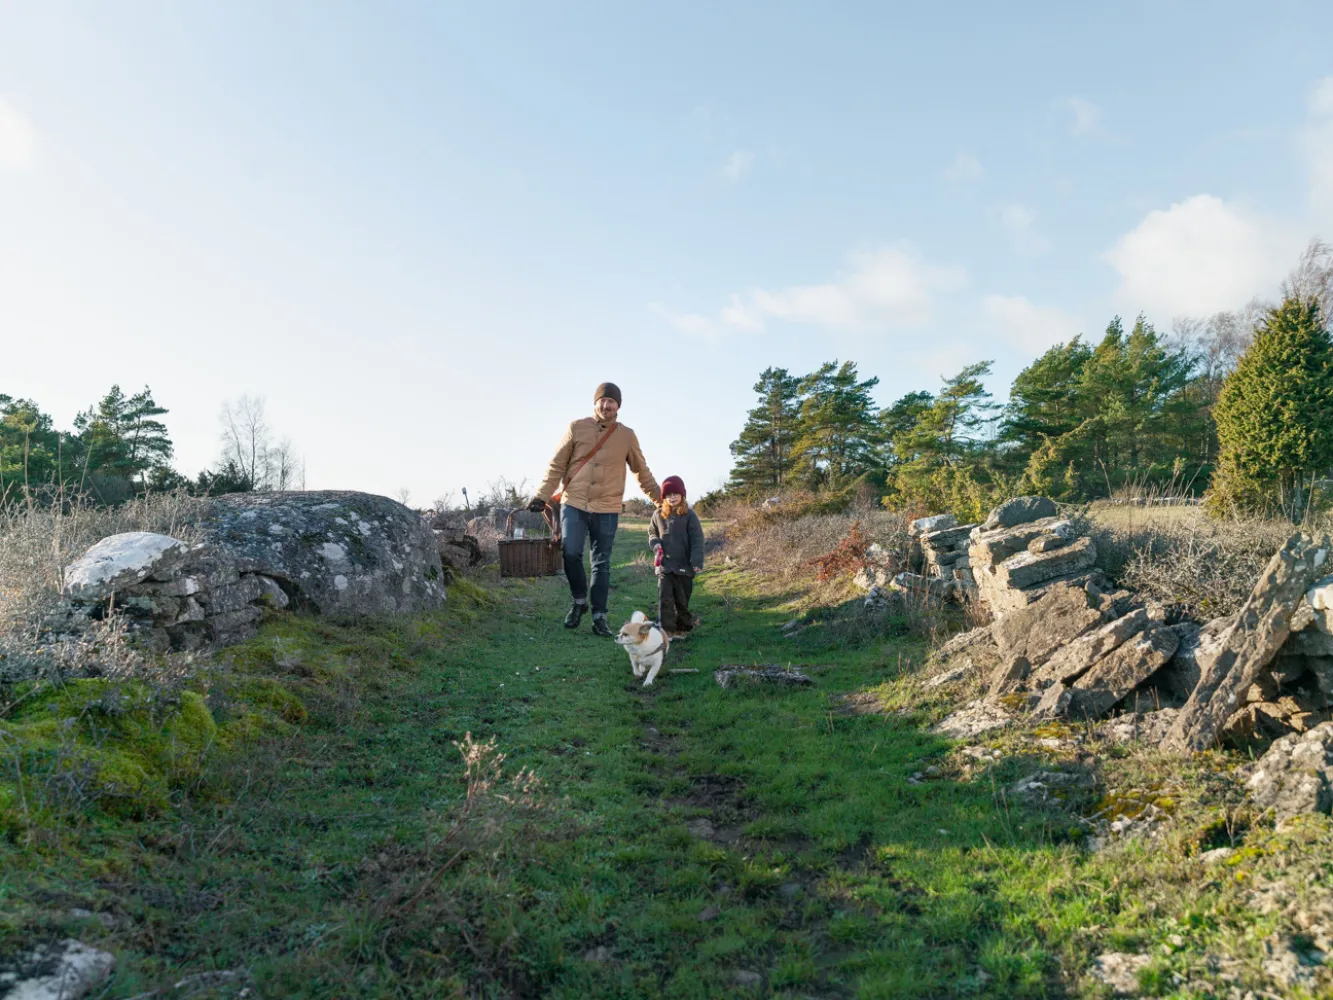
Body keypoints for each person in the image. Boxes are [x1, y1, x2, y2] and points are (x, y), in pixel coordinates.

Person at [529, 382, 660, 637]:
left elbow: (642, 472)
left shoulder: (627, 436)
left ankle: (599, 616)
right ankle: (579, 601)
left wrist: (661, 502)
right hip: (574, 502)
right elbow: (556, 465)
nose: (606, 405)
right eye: (603, 400)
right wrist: (541, 495)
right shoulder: (576, 427)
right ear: (595, 402)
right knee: (570, 552)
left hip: (607, 507)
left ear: (618, 406)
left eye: (612, 401)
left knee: (601, 562)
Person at [648, 475, 704, 638]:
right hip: (665, 565)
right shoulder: (658, 515)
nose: (672, 497)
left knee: (682, 600)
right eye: (669, 495)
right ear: (664, 497)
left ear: (682, 495)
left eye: (676, 494)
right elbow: (652, 532)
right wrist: (655, 543)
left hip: (684, 566)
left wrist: (696, 561)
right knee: (665, 599)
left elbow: (697, 539)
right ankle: (666, 631)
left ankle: (682, 628)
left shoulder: (690, 515)